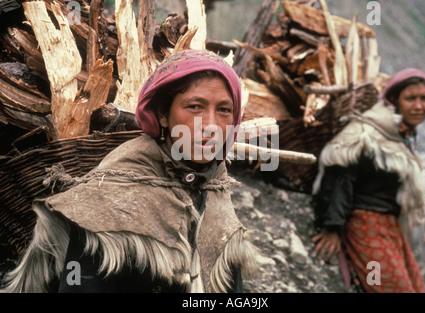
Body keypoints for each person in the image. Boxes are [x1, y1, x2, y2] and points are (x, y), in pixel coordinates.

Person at [2, 49, 258, 293]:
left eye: (224, 110)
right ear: (163, 115)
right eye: (195, 107)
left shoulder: (215, 187)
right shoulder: (106, 199)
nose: (211, 126)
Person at [311, 68, 425, 293]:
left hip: (391, 230)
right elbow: (339, 174)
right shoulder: (366, 131)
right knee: (384, 286)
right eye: (410, 98)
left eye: (424, 98)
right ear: (394, 100)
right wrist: (332, 227)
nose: (418, 106)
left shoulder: (400, 136)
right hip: (365, 226)